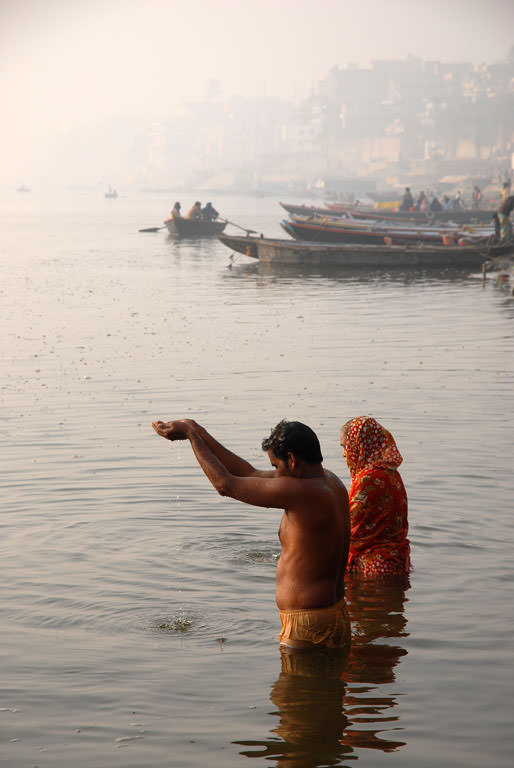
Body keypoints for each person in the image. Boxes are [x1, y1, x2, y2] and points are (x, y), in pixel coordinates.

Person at [152, 418, 351, 649]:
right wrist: (197, 430)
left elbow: (225, 484)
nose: (275, 474)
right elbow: (248, 472)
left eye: (277, 466)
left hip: (307, 625)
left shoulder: (301, 491)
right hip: (332, 614)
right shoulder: (330, 482)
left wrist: (190, 435)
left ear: (293, 460)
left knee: (300, 686)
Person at [340, 416, 410, 577]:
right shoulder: (392, 474)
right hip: (397, 562)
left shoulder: (368, 478)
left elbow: (350, 528)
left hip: (372, 568)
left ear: (360, 445)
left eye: (346, 447)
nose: (344, 454)